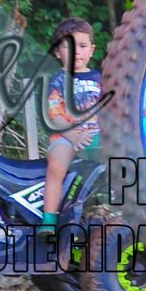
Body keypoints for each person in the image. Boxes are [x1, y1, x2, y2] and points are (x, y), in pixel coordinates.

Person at [39, 17, 103, 233]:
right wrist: (73, 135)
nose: (77, 52)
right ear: (58, 52)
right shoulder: (57, 80)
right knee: (56, 166)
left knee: (123, 158)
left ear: (92, 50)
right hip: (66, 136)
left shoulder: (100, 79)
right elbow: (54, 115)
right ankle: (49, 218)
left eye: (82, 46)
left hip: (96, 135)